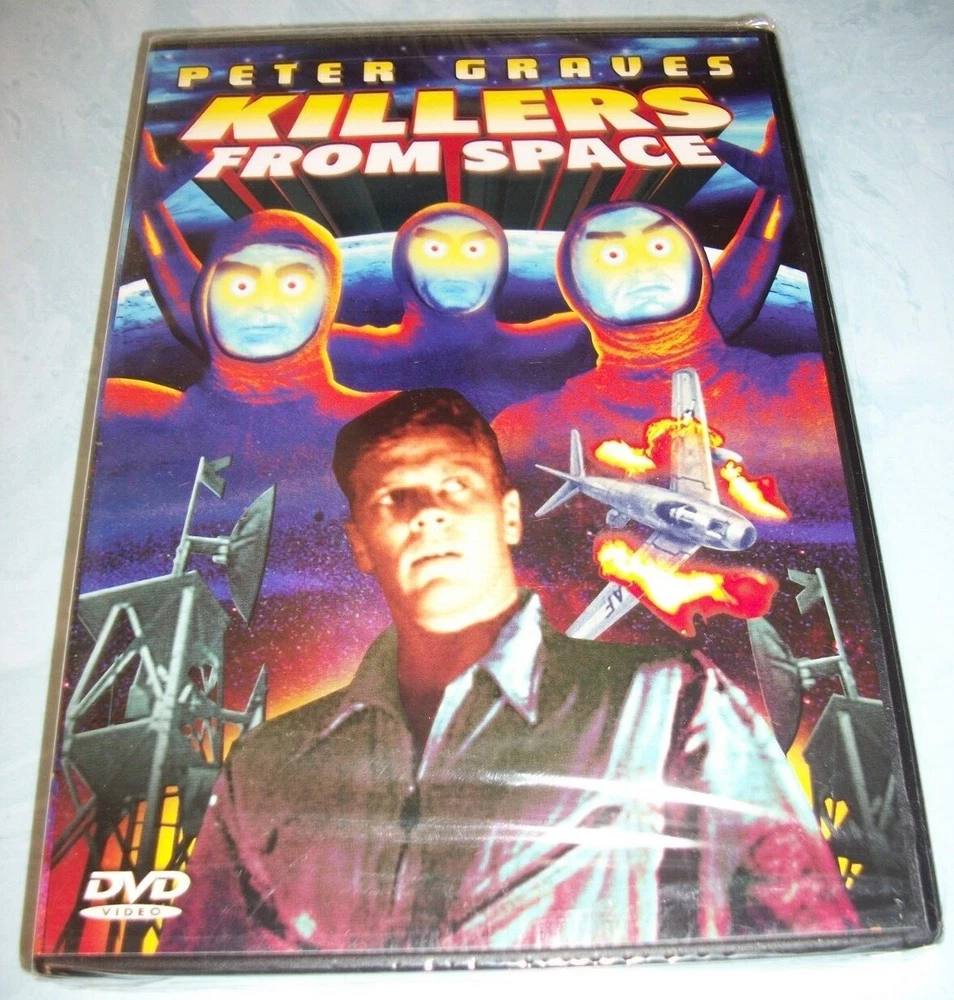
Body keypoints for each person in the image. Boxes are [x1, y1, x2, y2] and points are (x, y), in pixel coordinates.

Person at [161, 388, 855, 955]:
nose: (428, 515)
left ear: (510, 516)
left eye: (456, 486)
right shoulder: (265, 767)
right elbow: (198, 975)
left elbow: (812, 952)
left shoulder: (672, 704)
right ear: (360, 546)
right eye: (392, 498)